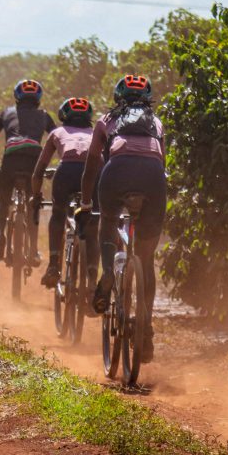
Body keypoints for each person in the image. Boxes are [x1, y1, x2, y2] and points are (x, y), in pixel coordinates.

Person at [79, 74, 166, 362]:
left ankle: (107, 274)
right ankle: (147, 329)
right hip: (153, 178)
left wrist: (85, 202)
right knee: (146, 257)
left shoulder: (105, 120)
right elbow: (160, 161)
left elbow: (92, 162)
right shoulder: (157, 123)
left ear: (118, 97)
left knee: (107, 221)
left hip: (116, 172)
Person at [0, 79, 56, 263]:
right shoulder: (44, 115)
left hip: (10, 159)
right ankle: (34, 251)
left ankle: (0, 236)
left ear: (17, 96)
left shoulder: (7, 113)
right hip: (34, 161)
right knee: (33, 204)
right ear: (38, 98)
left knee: (3, 200)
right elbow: (59, 138)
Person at [31, 97, 100, 289]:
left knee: (58, 215)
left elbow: (39, 171)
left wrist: (36, 196)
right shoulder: (96, 133)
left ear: (63, 115)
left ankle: (54, 265)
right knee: (93, 226)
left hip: (66, 172)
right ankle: (93, 277)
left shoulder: (56, 132)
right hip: (93, 173)